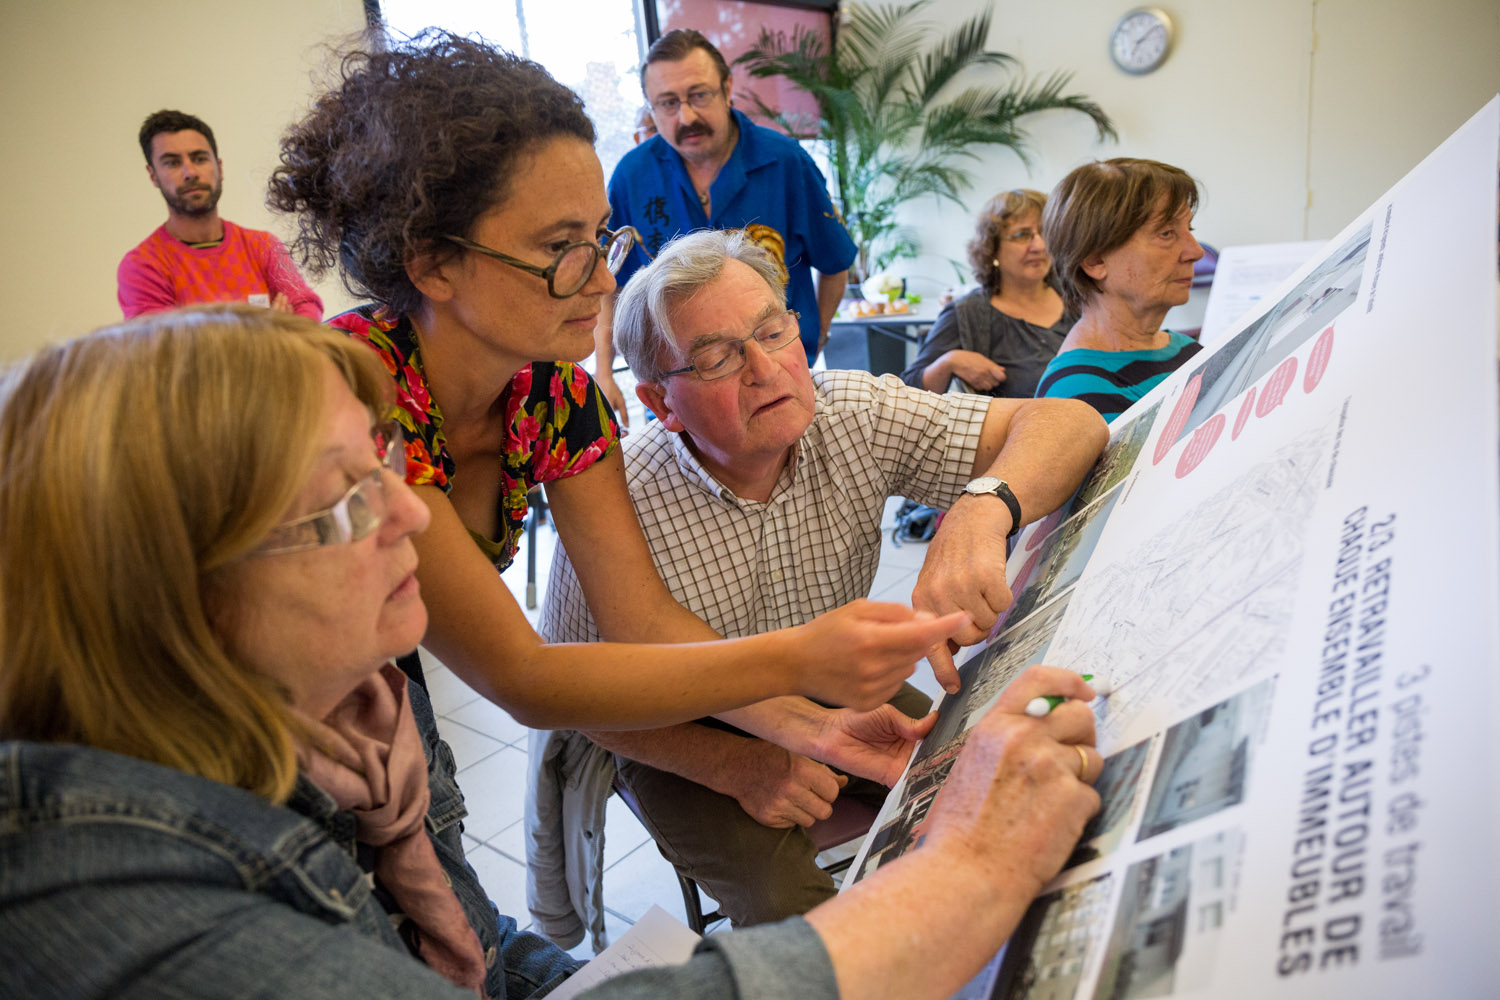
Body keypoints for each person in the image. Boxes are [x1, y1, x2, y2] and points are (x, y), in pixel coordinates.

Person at [0, 304, 1106, 999]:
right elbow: (567, 689)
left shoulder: (362, 725)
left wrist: (983, 507)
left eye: (384, 460)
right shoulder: (109, 888)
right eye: (342, 505)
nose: (416, 519)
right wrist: (964, 867)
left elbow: (473, 947)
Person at [268, 31, 961, 734]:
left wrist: (806, 726)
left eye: (602, 239)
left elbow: (645, 620)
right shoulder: (358, 394)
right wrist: (797, 664)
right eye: (557, 249)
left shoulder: (555, 399)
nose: (603, 281)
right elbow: (525, 677)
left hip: (362, 671)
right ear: (432, 265)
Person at [534, 229, 1108, 930]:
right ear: (660, 403)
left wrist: (983, 505)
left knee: (986, 778)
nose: (766, 369)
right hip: (676, 714)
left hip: (825, 678)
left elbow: (1070, 422)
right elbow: (584, 697)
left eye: (773, 332)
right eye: (716, 357)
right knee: (791, 911)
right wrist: (731, 765)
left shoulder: (850, 414)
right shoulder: (616, 499)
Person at [593, 29, 856, 424]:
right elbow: (607, 285)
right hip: (681, 397)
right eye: (667, 103)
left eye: (699, 95)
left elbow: (835, 263)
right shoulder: (632, 175)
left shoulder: (786, 162)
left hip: (775, 380)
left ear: (727, 87)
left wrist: (815, 336)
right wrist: (602, 370)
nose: (686, 117)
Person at [1034, 158, 1207, 422]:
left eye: (1189, 229)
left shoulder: (1182, 348)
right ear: (1095, 261)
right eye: (1166, 233)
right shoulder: (1078, 396)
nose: (1196, 252)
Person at [118, 109, 322, 320]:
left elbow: (306, 306)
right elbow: (165, 346)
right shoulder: (143, 266)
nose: (190, 173)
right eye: (172, 162)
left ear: (219, 167)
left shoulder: (263, 247)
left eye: (199, 159)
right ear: (153, 176)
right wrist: (269, 333)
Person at [901, 189, 1076, 398]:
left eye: (1045, 232)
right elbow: (908, 392)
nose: (1038, 245)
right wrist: (949, 362)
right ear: (991, 248)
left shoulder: (1078, 296)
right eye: (1022, 235)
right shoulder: (968, 313)